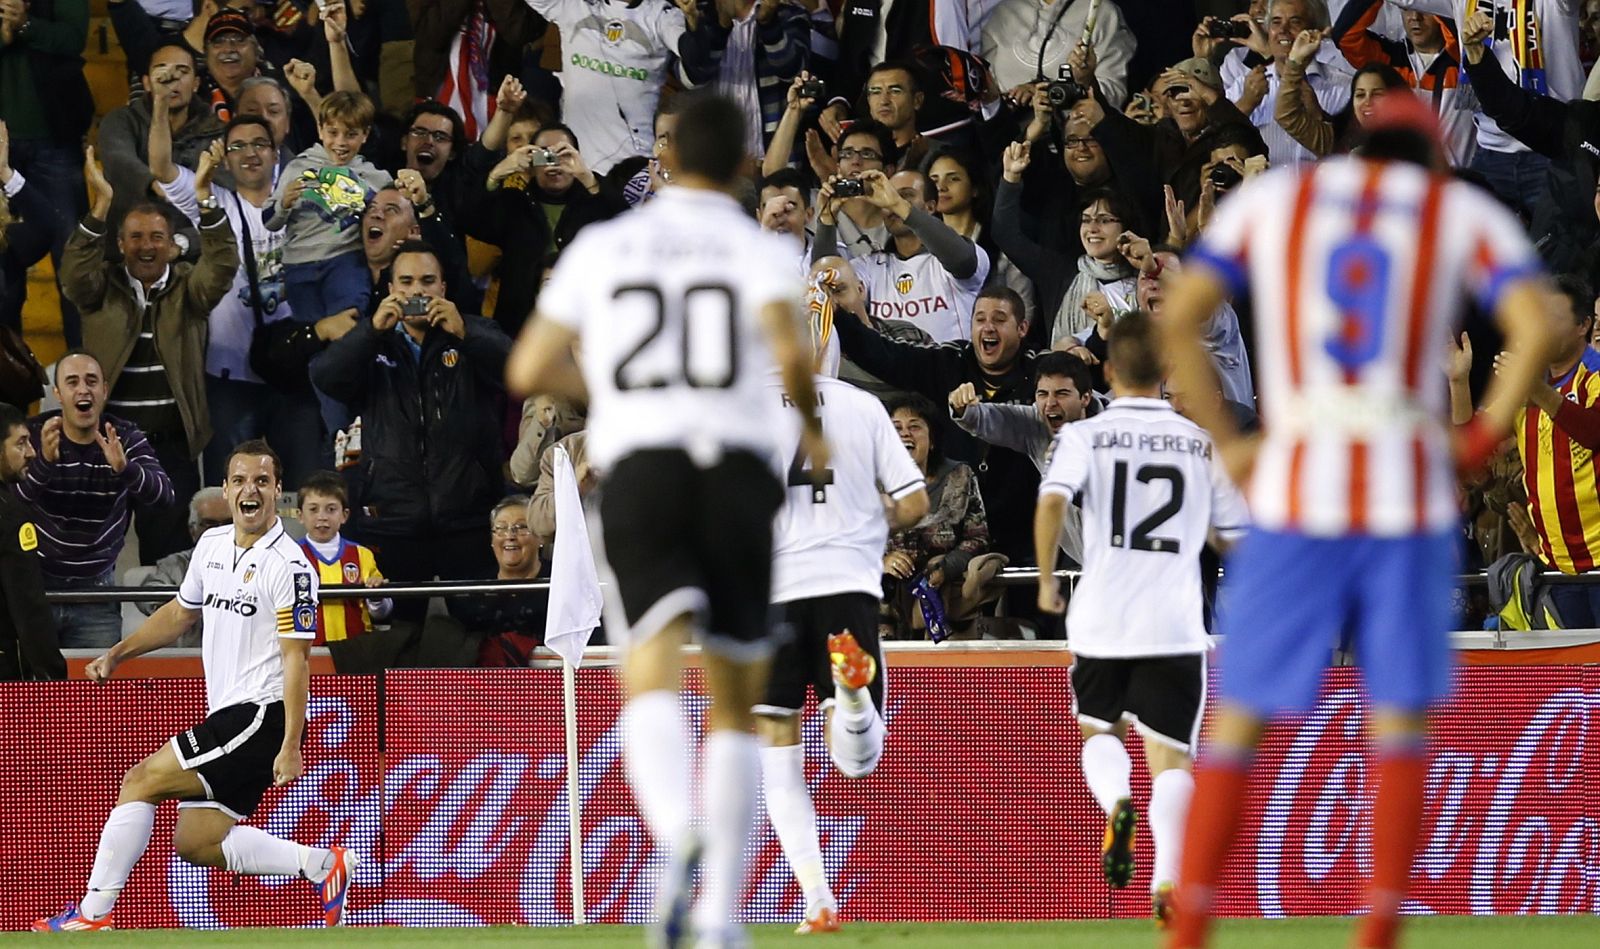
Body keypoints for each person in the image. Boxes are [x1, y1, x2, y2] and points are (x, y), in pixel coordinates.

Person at [1157, 93, 1558, 949]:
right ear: (1434, 159)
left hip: (1300, 484)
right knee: (1398, 718)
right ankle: (1378, 923)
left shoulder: (1280, 198)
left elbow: (1182, 312)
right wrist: (1481, 432)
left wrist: (1230, 440)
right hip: (1405, 490)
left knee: (1242, 716)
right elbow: (1536, 322)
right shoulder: (1453, 209)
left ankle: (1190, 923)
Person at [505, 92, 825, 948]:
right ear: (745, 165)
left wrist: (617, 395)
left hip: (643, 469)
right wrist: (815, 431)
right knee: (735, 696)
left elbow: (530, 365)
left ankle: (676, 832)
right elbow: (793, 354)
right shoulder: (762, 250)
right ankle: (720, 910)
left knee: (648, 667)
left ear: (668, 157)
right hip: (735, 471)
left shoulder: (606, 246)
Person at [32, 440, 359, 932]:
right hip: (231, 714)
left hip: (260, 715)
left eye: (262, 481)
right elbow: (179, 614)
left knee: (141, 780)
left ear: (278, 492)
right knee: (197, 841)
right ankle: (321, 865)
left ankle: (92, 915)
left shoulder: (290, 568)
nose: (250, 490)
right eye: (240, 480)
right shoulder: (212, 546)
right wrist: (119, 653)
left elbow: (298, 660)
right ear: (226, 490)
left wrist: (291, 743)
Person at [1034, 311, 1248, 927]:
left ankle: (1117, 802)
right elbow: (1235, 537)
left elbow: (1052, 501)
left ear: (1107, 371)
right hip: (1174, 620)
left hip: (1101, 614)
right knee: (1171, 758)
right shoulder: (1199, 443)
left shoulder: (1085, 436)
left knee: (1100, 733)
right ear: (1167, 368)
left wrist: (1046, 578)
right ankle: (1167, 877)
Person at [759, 369, 929, 934]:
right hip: (849, 584)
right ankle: (851, 698)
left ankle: (818, 899)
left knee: (778, 757)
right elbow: (915, 502)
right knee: (856, 762)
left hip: (774, 593)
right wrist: (869, 516)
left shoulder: (743, 405)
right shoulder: (862, 405)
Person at [309, 240, 509, 618]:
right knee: (396, 636)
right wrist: (370, 331)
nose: (417, 291)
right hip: (391, 520)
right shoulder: (371, 343)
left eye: (428, 281)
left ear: (443, 288)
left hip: (466, 517)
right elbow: (325, 377)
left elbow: (516, 370)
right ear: (390, 290)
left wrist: (466, 332)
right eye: (406, 282)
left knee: (477, 631)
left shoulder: (472, 333)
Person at [62, 147, 238, 566]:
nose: (146, 246)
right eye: (136, 237)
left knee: (167, 563)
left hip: (169, 450)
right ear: (120, 243)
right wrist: (101, 206)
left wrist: (206, 200)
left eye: (156, 237)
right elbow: (72, 273)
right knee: (90, 556)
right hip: (102, 444)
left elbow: (223, 263)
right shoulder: (99, 287)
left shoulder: (189, 290)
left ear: (171, 245)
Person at [154, 117, 324, 488]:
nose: (250, 153)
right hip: (230, 375)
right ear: (226, 161)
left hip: (295, 370)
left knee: (305, 491)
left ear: (276, 155)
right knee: (226, 494)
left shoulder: (302, 202)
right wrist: (162, 103)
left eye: (260, 144)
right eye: (238, 146)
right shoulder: (214, 201)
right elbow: (161, 167)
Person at [17, 351, 174, 649]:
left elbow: (165, 496)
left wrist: (125, 469)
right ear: (57, 394)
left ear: (104, 389)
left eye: (91, 381)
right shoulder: (34, 435)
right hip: (36, 587)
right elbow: (11, 504)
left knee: (95, 680)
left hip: (97, 594)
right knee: (30, 679)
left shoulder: (124, 437)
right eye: (72, 382)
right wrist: (43, 466)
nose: (83, 389)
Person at [949, 351, 1095, 565]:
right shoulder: (1036, 424)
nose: (1050, 403)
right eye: (1042, 394)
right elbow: (991, 419)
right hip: (1081, 557)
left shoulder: (1119, 429)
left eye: (1062, 394)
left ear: (1085, 398)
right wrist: (963, 408)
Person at [812, 168, 988, 343]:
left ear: (930, 207)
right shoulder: (869, 266)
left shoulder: (958, 254)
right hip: (889, 362)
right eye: (887, 195)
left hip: (951, 360)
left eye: (906, 195)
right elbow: (824, 283)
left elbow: (963, 260)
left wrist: (898, 205)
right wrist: (827, 219)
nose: (889, 202)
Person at [879, 396, 1001, 640]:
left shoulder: (959, 476)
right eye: (896, 428)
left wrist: (945, 568)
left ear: (932, 440)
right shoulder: (869, 481)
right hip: (883, 604)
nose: (905, 434)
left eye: (914, 426)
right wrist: (881, 560)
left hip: (946, 599)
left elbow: (977, 538)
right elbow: (849, 541)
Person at [297, 470, 391, 674]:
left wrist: (377, 597)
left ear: (344, 515)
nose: (322, 517)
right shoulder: (288, 556)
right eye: (313, 509)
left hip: (357, 654)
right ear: (299, 515)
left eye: (331, 509)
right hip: (306, 656)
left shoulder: (362, 555)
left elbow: (382, 612)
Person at [0, 401, 65, 681]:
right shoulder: (12, 517)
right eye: (21, 443)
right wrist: (52, 675)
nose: (31, 452)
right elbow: (28, 606)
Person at [452, 494, 553, 667]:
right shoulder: (472, 592)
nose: (510, 536)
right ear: (492, 540)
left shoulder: (560, 585)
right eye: (501, 528)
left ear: (541, 538)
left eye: (521, 527)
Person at [134, 487, 231, 633]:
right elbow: (149, 596)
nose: (221, 531)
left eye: (229, 523)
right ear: (193, 530)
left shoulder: (259, 560)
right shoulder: (176, 564)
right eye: (210, 524)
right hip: (191, 646)